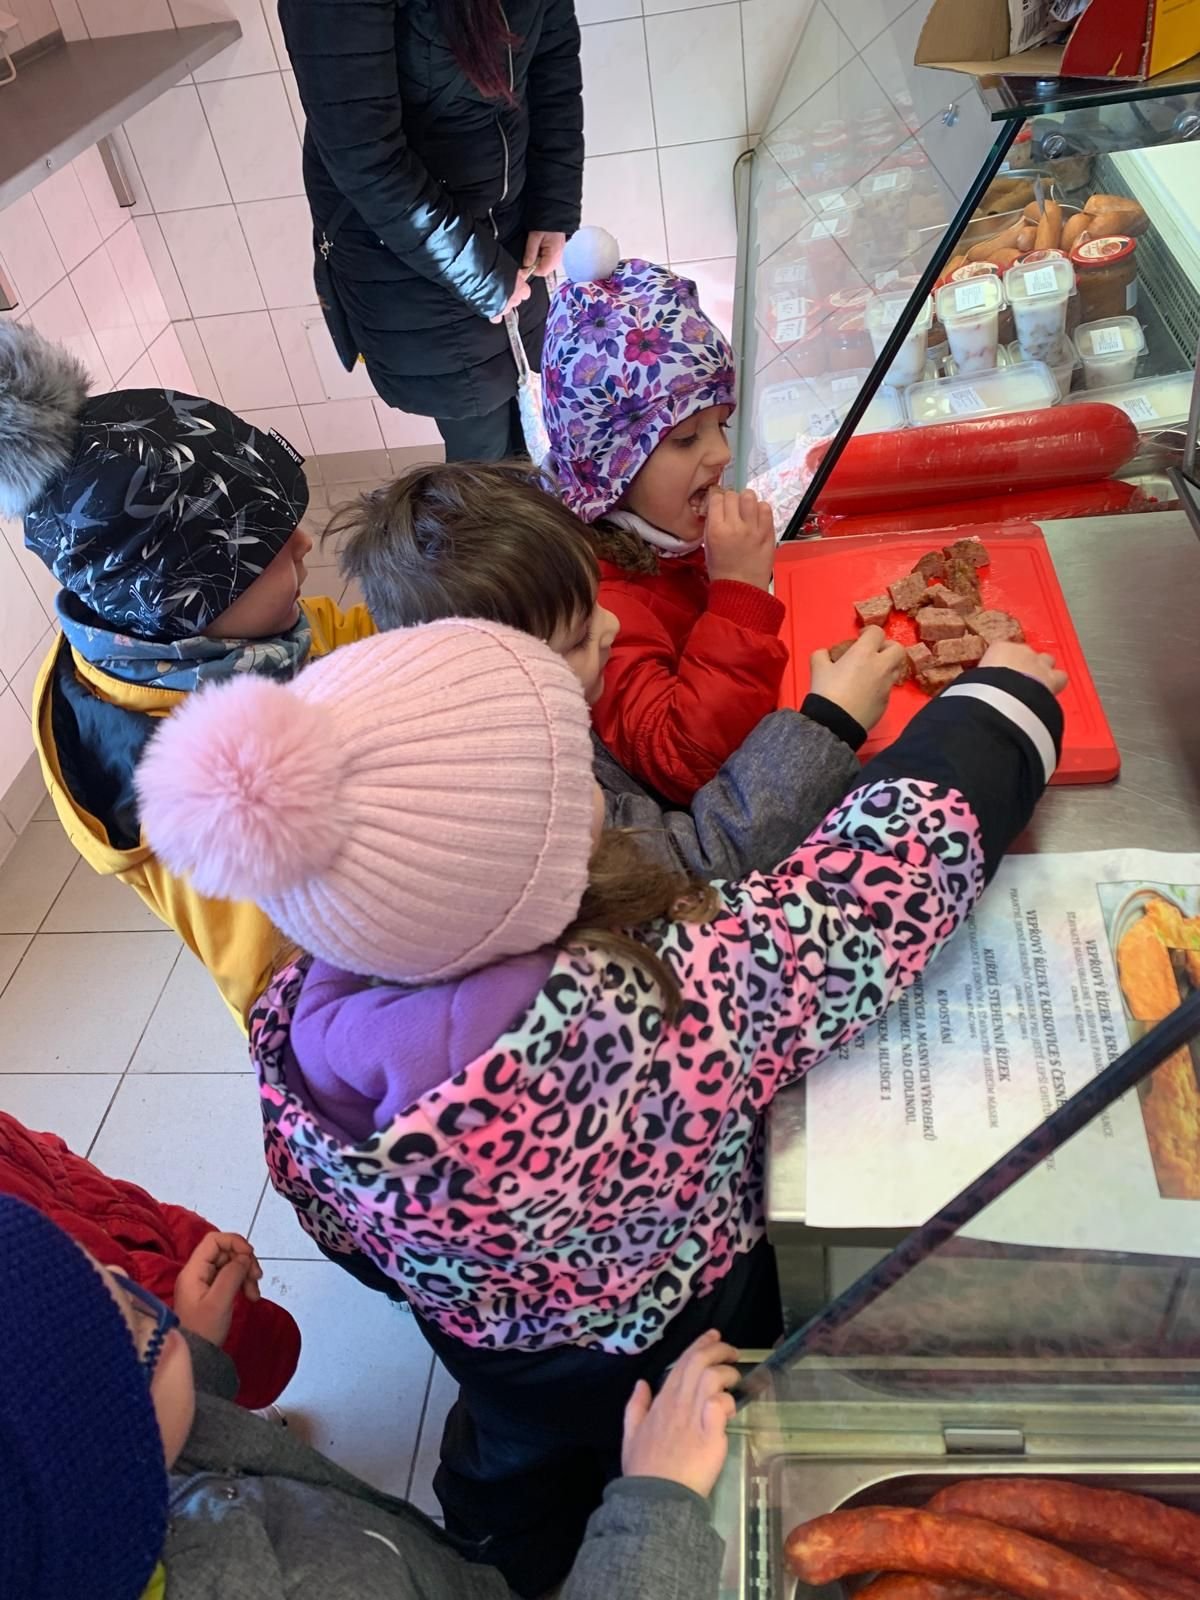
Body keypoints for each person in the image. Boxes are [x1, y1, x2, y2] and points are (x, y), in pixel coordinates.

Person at [136, 617, 1067, 1596]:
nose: (598, 792)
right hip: (688, 1318)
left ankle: (515, 1539)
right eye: (571, 779)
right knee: (705, 1398)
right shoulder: (659, 1002)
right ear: (523, 877)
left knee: (523, 1462)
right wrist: (996, 712)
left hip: (498, 1359)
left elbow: (343, 1235)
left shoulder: (288, 1030)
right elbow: (861, 908)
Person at [0, 1192, 738, 1600]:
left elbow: (157, 1442)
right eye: (132, 1321)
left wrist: (190, 1353)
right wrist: (656, 1505)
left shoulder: (83, 1518)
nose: (128, 1280)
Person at [0, 321, 375, 1028]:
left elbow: (331, 636)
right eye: (263, 547)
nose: (303, 543)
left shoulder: (232, 643)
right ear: (180, 602)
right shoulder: (188, 805)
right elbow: (289, 993)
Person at [329, 458, 891, 879]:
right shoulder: (523, 812)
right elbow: (699, 861)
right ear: (489, 691)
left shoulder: (530, 716)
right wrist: (827, 726)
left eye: (595, 605)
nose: (612, 626)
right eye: (578, 638)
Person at [539, 228, 905, 807]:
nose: (721, 453)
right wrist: (737, 591)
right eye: (686, 438)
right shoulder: (602, 603)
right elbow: (683, 763)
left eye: (721, 424)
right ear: (609, 468)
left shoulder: (661, 536)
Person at [278, 0, 583, 462]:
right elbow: (363, 157)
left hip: (508, 227)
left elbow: (553, 66)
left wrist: (554, 207)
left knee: (537, 427)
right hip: (412, 253)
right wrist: (479, 273)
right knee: (483, 457)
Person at [0, 1109, 299, 1411]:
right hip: (158, 1348)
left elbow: (52, 1164)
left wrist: (167, 1227)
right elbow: (90, 1412)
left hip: (143, 1238)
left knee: (260, 1351)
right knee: (234, 1385)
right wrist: (194, 1352)